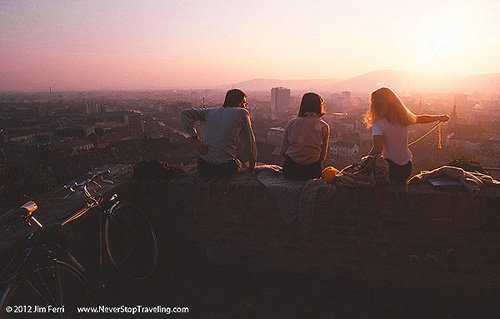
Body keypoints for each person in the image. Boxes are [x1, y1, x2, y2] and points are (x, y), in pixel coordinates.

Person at [364, 87, 450, 183]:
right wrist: (439, 117)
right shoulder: (402, 118)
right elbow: (420, 119)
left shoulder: (379, 123)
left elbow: (377, 149)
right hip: (406, 167)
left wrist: (363, 164)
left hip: (391, 169)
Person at [181, 89, 257, 178]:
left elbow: (185, 113)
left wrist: (196, 140)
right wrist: (252, 165)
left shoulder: (210, 112)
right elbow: (249, 142)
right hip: (224, 168)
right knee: (238, 163)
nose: (245, 106)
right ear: (239, 103)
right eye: (244, 103)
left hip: (203, 168)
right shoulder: (242, 112)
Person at [280, 92, 330, 181]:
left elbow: (283, 151)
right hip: (312, 172)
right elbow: (322, 156)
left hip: (291, 171)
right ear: (319, 106)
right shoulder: (324, 126)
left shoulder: (292, 123)